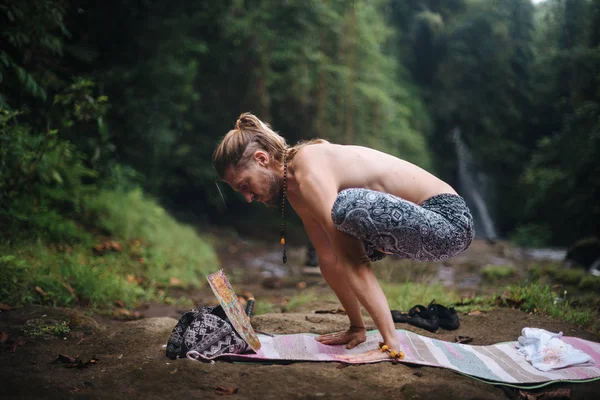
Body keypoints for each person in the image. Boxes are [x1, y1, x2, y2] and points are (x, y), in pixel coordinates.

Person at [213, 112, 474, 362]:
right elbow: (328, 258)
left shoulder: (309, 169)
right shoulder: (294, 189)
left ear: (261, 159)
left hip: (448, 220)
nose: (248, 198)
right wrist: (356, 326)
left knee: (346, 209)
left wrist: (389, 343)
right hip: (422, 228)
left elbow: (353, 261)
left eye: (245, 185)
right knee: (336, 240)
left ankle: (393, 343)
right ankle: (360, 328)